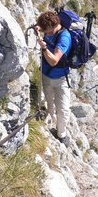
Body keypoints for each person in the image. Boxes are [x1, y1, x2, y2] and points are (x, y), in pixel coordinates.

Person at [35, 11, 71, 146]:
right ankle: (52, 120)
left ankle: (62, 134)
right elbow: (40, 27)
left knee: (63, 109)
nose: (47, 34)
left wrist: (44, 48)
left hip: (60, 78)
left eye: (48, 32)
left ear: (56, 26)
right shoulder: (48, 29)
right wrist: (38, 29)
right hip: (46, 75)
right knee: (51, 105)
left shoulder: (64, 38)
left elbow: (54, 61)